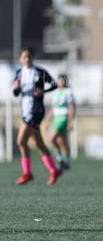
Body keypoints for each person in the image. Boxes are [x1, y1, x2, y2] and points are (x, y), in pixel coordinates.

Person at [12, 47, 63, 186]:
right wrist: (16, 88)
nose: (27, 59)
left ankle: (27, 173)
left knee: (21, 140)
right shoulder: (18, 73)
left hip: (37, 110)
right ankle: (54, 170)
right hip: (26, 111)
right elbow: (16, 93)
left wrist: (43, 91)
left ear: (32, 58)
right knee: (39, 144)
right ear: (20, 59)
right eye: (24, 57)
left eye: (29, 56)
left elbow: (54, 84)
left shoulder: (40, 72)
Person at [45, 74, 76, 170]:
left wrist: (70, 122)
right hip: (56, 118)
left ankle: (59, 158)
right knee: (61, 141)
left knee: (52, 138)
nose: (60, 82)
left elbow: (71, 108)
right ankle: (65, 161)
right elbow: (53, 108)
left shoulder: (68, 92)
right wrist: (48, 120)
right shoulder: (56, 92)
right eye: (59, 80)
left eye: (62, 80)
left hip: (63, 118)